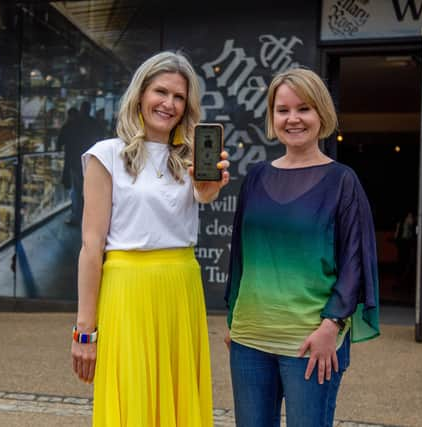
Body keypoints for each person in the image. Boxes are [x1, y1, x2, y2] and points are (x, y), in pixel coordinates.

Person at [70, 51, 230, 426]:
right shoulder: (105, 155)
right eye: (161, 91)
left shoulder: (192, 157)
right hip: (126, 291)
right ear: (140, 94)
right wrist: (84, 331)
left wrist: (209, 188)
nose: (169, 104)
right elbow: (92, 248)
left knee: (178, 403)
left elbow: (203, 196)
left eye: (179, 97)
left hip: (180, 288)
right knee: (132, 403)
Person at [224, 68, 380, 427]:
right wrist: (234, 316)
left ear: (322, 114)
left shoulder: (342, 181)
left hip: (310, 342)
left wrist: (332, 326)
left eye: (304, 108)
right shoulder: (256, 178)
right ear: (272, 116)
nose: (293, 118)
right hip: (250, 340)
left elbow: (355, 261)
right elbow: (241, 258)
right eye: (283, 110)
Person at [63, 101, 105, 226]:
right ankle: (92, 216)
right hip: (92, 161)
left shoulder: (74, 123)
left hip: (76, 162)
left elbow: (63, 139)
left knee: (76, 190)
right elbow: (101, 139)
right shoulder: (94, 123)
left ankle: (76, 217)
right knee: (90, 189)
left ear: (81, 109)